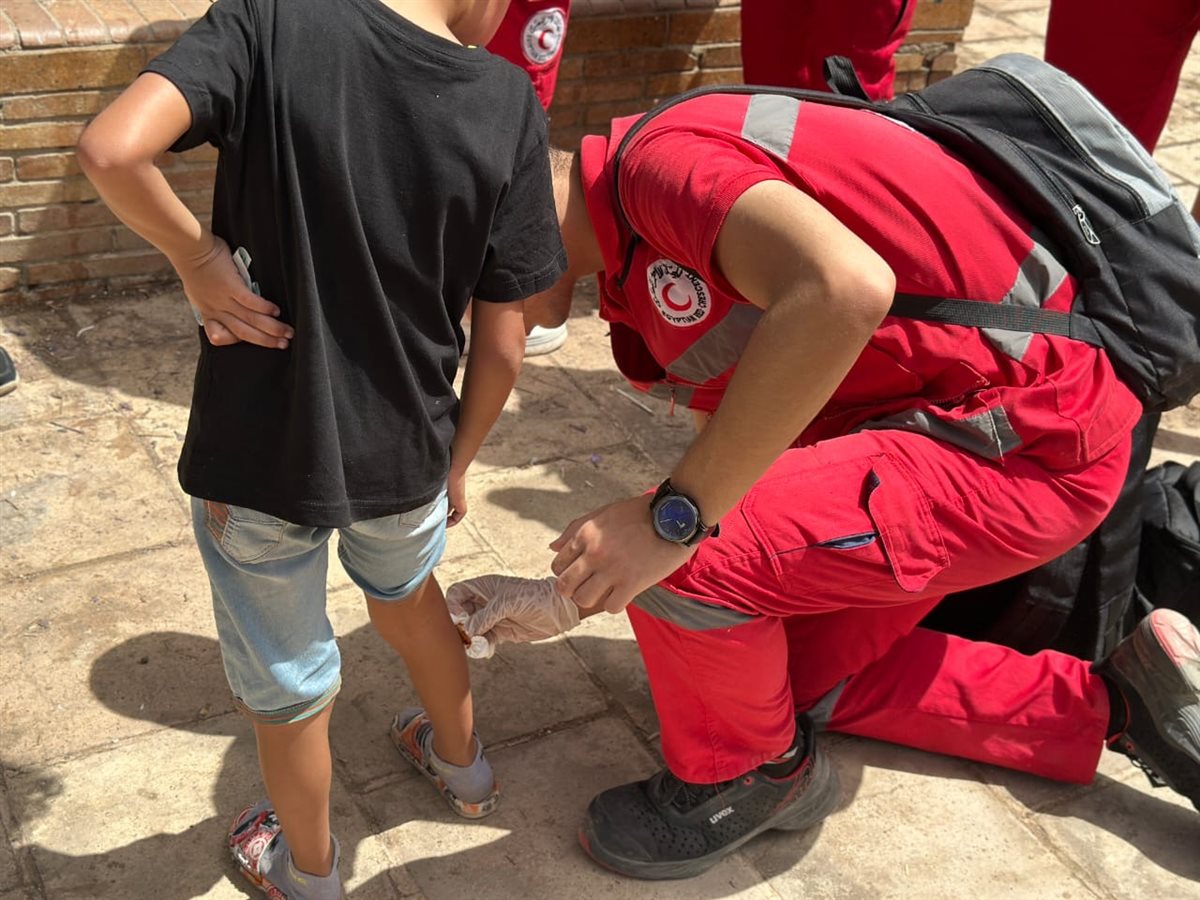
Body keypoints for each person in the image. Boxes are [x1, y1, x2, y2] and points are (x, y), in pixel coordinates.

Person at [449, 84, 1200, 881]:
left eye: (471, 308)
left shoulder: (662, 173)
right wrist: (570, 591)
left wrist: (669, 524)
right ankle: (1122, 706)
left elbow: (844, 289)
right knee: (771, 680)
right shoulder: (635, 231)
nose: (498, 329)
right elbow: (748, 434)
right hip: (959, 421)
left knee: (688, 560)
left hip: (1027, 440)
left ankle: (750, 780)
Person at [76, 0, 566, 896]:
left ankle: (307, 872)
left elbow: (112, 149)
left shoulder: (270, 20)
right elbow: (503, 345)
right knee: (411, 599)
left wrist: (196, 258)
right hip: (411, 451)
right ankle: (466, 774)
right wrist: (455, 463)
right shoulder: (507, 100)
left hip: (257, 459)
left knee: (291, 681)